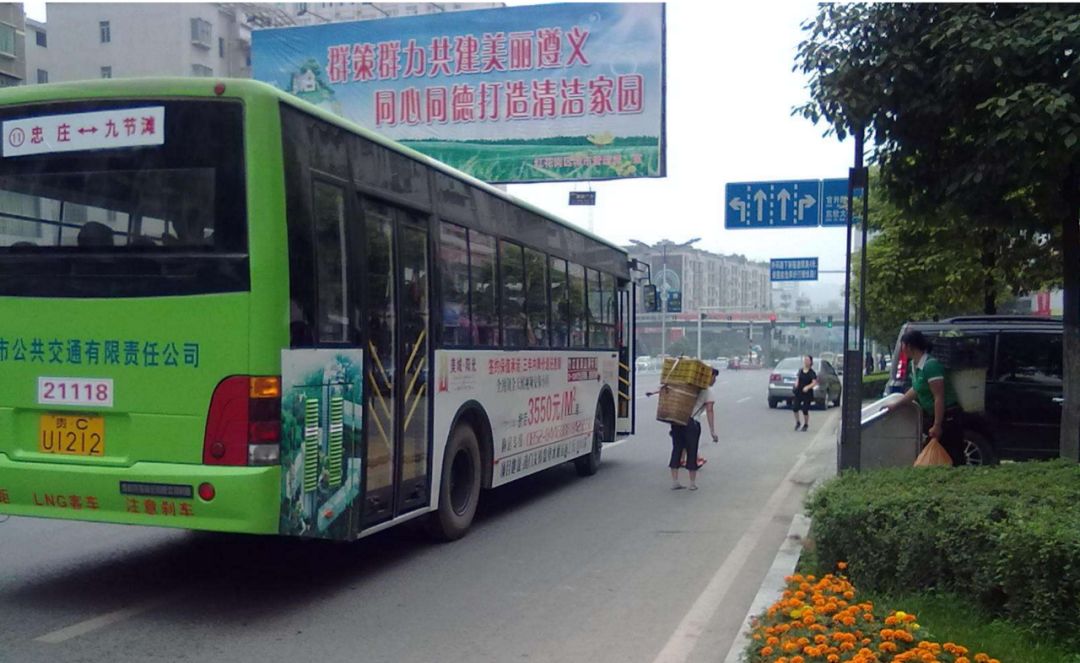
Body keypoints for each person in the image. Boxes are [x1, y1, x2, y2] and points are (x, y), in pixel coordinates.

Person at [884, 330, 964, 465]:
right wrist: (896, 405)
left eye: (903, 345)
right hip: (933, 416)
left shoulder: (931, 366)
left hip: (948, 417)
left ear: (909, 346)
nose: (902, 349)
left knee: (952, 457)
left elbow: (939, 396)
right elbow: (915, 390)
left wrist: (937, 425)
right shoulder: (915, 366)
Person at [647, 368, 719, 491]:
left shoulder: (687, 387)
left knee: (677, 449)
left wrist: (654, 392)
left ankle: (675, 482)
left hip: (678, 420)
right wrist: (712, 431)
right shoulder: (708, 392)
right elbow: (709, 411)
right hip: (692, 423)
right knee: (692, 450)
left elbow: (668, 388)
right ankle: (692, 483)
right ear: (708, 377)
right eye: (714, 377)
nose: (715, 380)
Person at [793, 355, 818, 431]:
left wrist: (807, 387)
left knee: (805, 409)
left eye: (807, 360)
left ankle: (806, 424)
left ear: (810, 362)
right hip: (799, 392)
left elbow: (814, 383)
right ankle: (798, 422)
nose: (806, 361)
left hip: (807, 393)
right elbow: (798, 378)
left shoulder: (812, 372)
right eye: (805, 360)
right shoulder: (801, 370)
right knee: (795, 408)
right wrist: (796, 384)